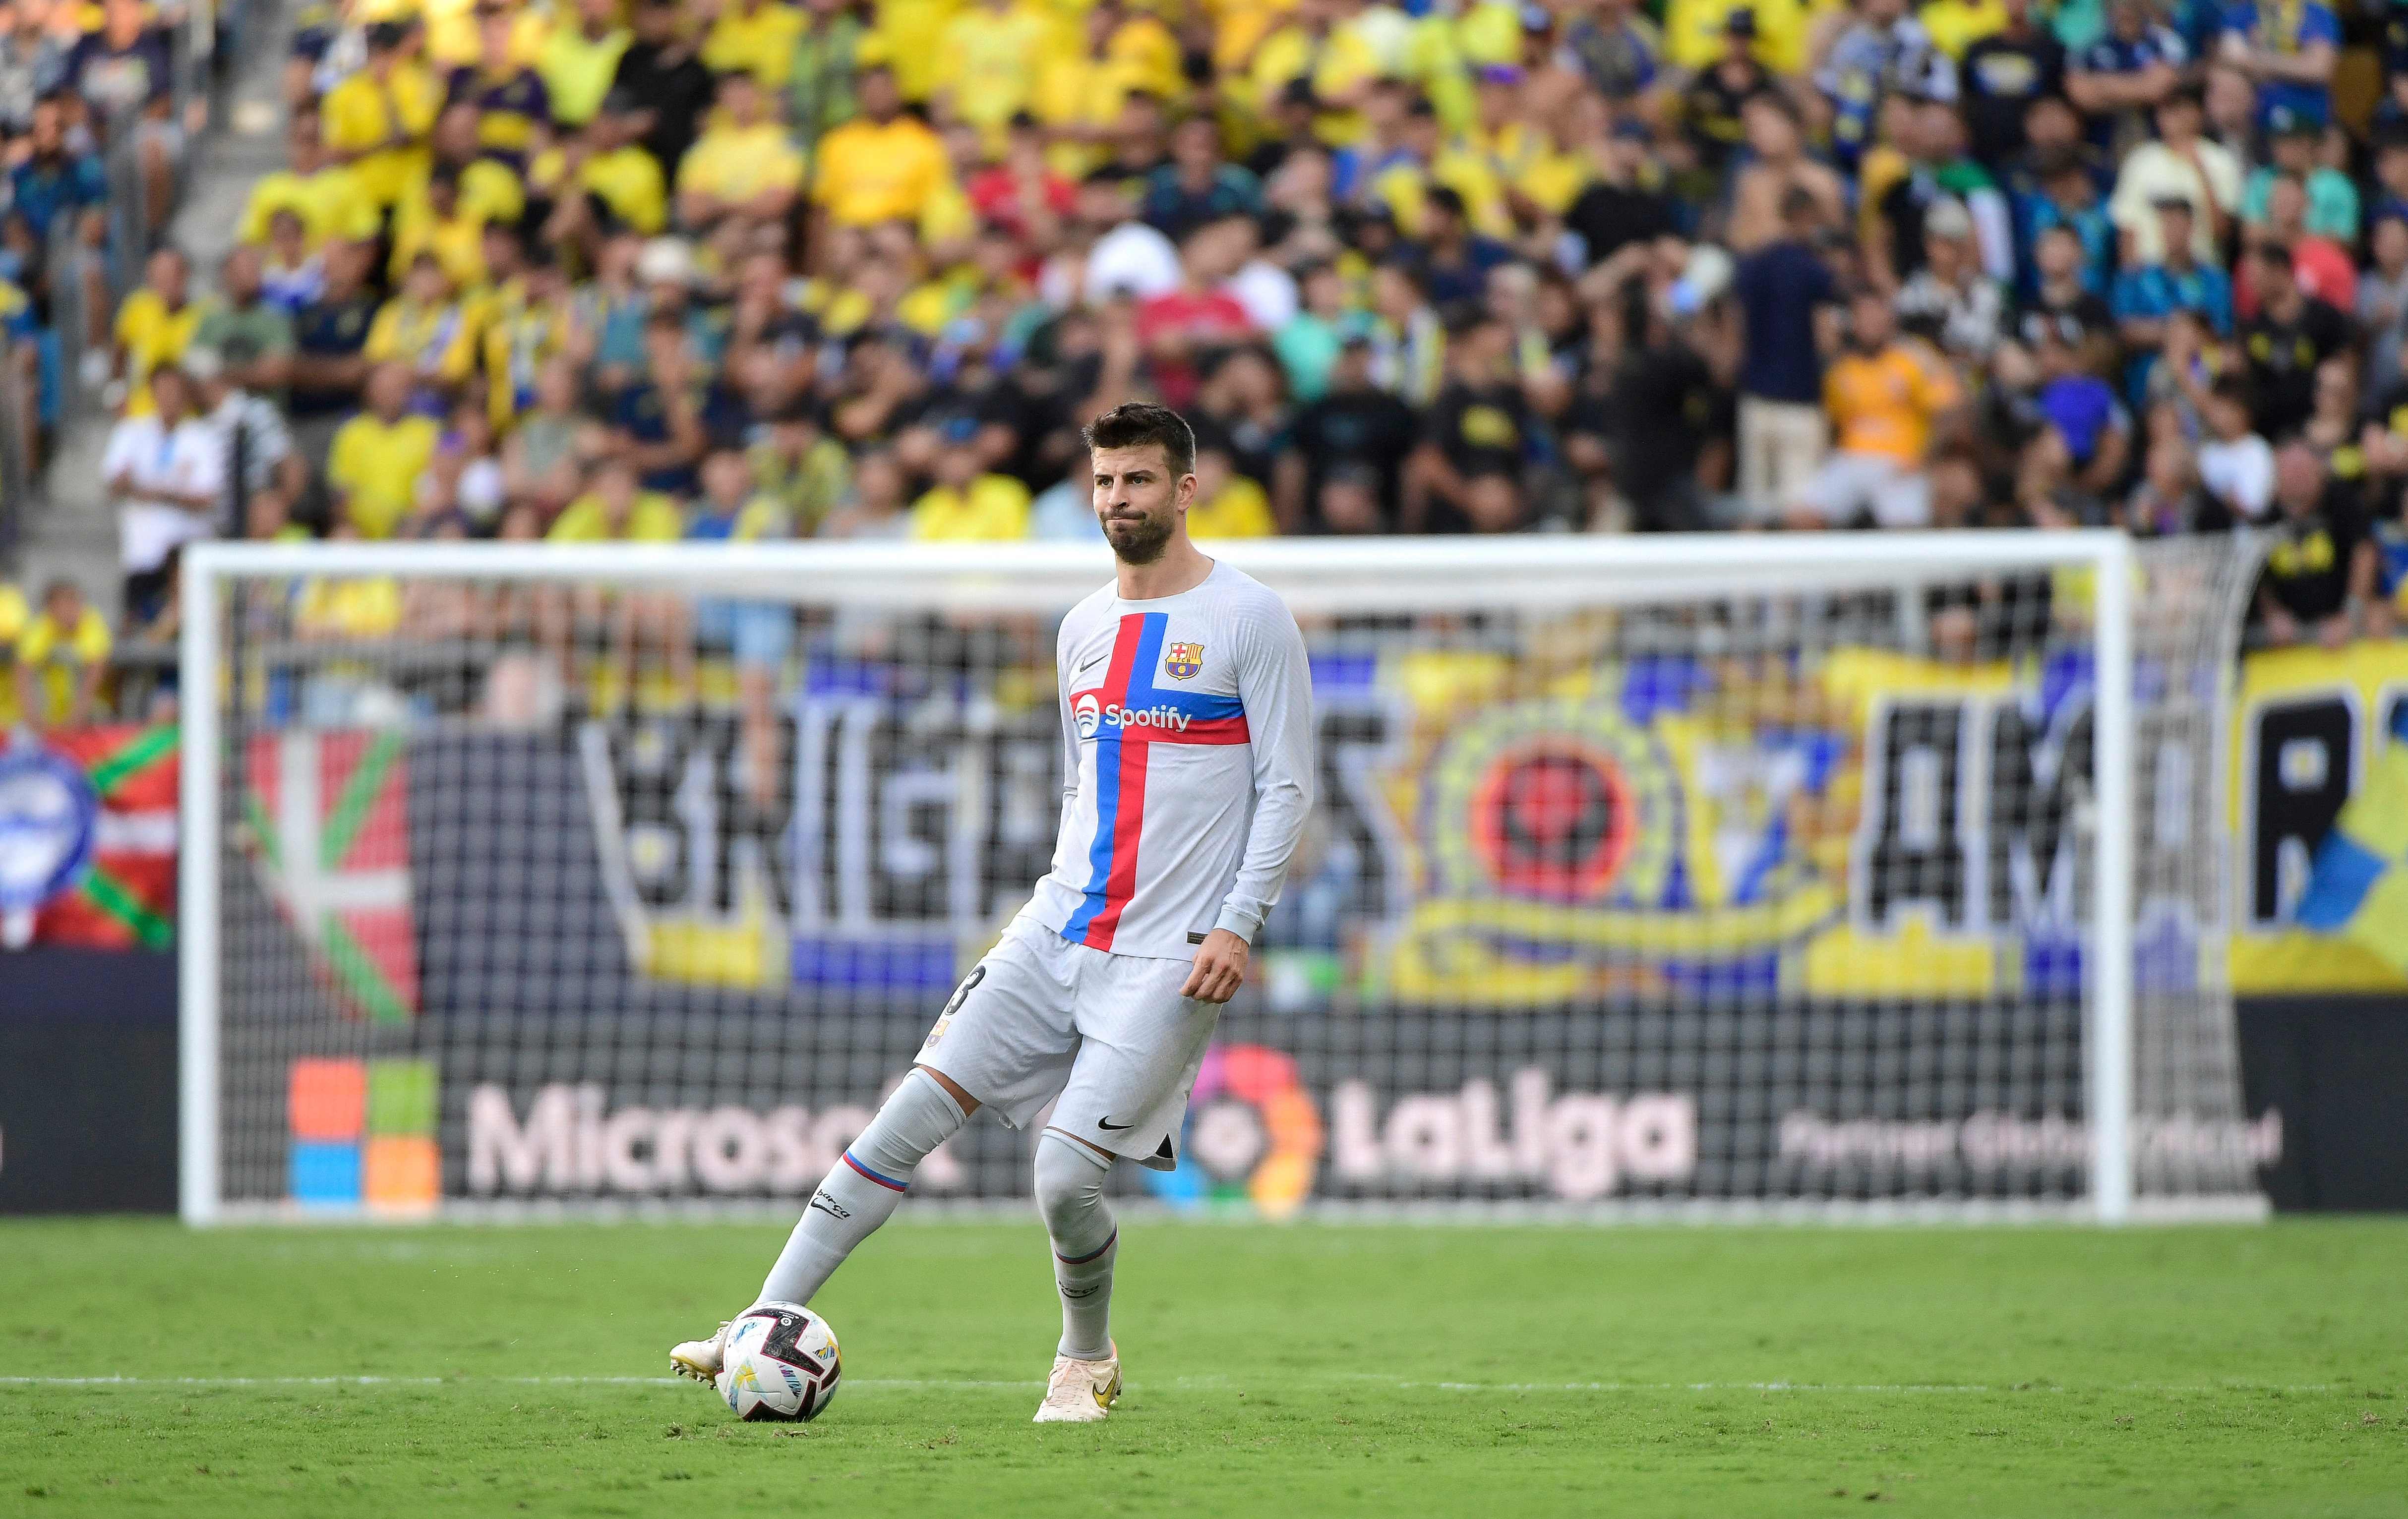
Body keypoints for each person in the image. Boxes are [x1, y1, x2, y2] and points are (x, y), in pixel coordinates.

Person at [669, 403, 1315, 1424]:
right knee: (905, 1115)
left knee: (1063, 1175)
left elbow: (1286, 787)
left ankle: (1084, 1355)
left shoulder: (1249, 617)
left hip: (1170, 955)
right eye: (1103, 482)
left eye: (1139, 481)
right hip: (1053, 928)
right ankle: (757, 1315)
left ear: (1185, 489)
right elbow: (1081, 783)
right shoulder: (1081, 628)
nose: (1118, 500)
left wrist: (1240, 921)